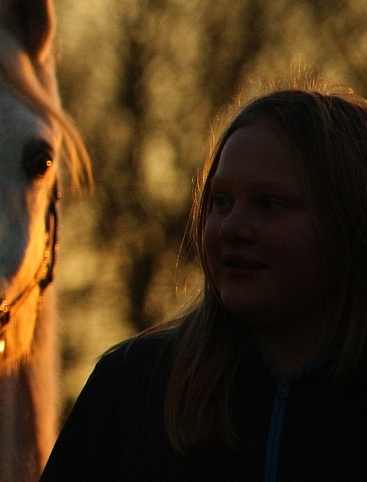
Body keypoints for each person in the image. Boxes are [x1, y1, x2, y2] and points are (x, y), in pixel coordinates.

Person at [41, 85, 367, 481]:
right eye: (220, 201)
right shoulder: (132, 389)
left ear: (349, 220)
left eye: (270, 205)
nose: (231, 228)